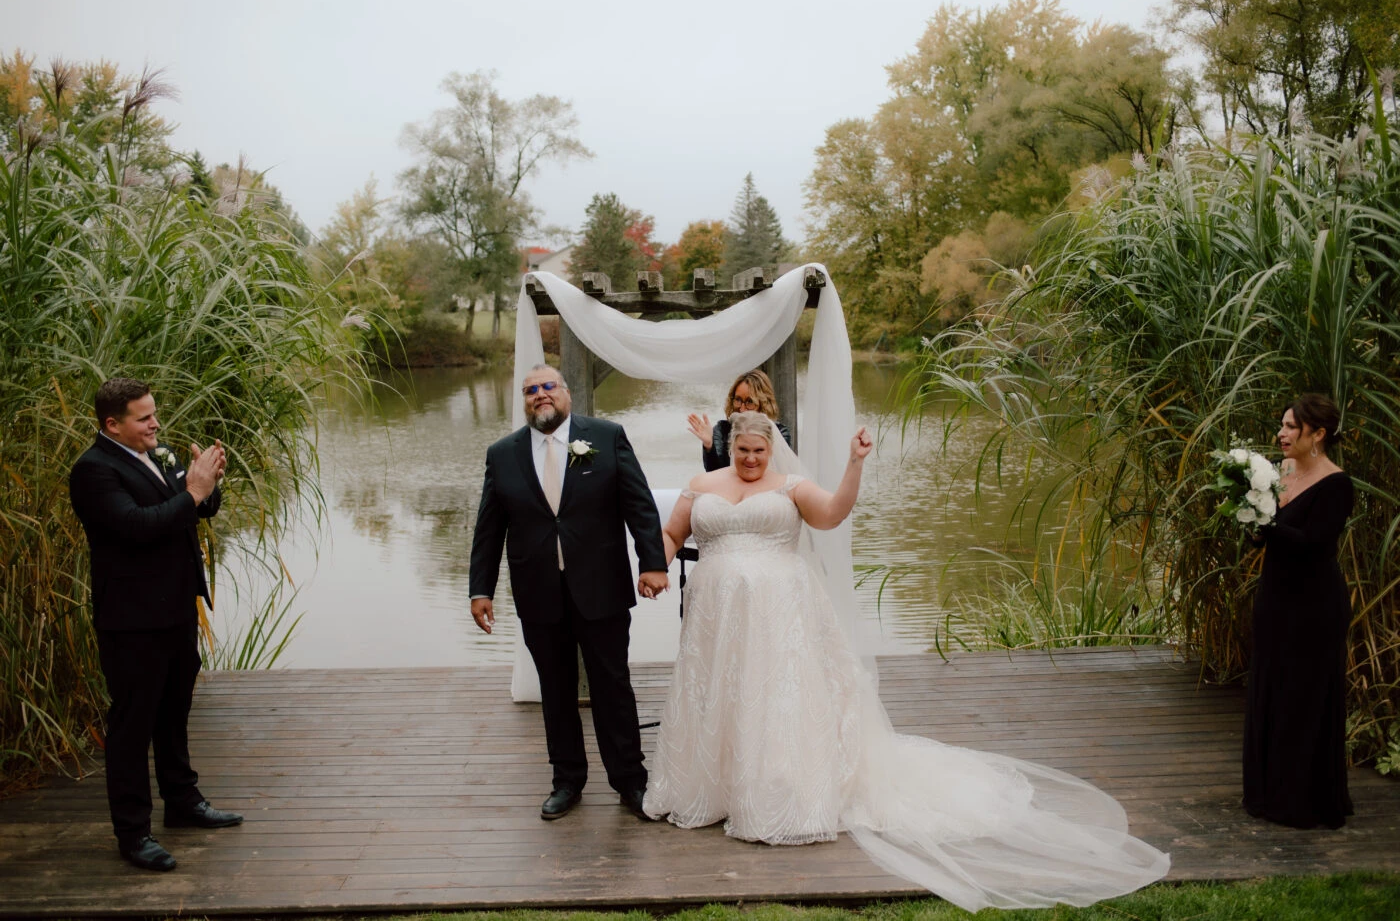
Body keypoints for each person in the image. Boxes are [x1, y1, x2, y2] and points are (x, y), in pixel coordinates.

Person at [642, 411, 1169, 913]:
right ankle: (714, 788)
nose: (751, 459)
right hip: (716, 620)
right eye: (742, 450)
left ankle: (775, 792)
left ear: (770, 449)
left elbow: (832, 515)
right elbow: (671, 534)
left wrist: (854, 463)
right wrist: (654, 568)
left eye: (759, 450)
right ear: (727, 446)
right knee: (720, 697)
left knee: (775, 700)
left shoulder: (790, 488)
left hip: (781, 615)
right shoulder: (702, 485)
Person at [468, 364, 669, 821]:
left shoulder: (607, 436)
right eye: (530, 390)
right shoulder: (503, 454)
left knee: (612, 685)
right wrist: (480, 589)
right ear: (525, 401)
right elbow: (488, 528)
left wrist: (653, 562)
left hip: (602, 587)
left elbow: (637, 504)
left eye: (547, 387)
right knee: (554, 691)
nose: (540, 395)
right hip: (538, 592)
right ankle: (567, 781)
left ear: (566, 393)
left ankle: (630, 782)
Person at [67, 378, 244, 872]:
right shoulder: (93, 471)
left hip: (174, 611)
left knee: (173, 712)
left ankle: (183, 803)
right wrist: (193, 490)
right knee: (132, 725)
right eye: (144, 417)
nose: (155, 423)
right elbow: (138, 527)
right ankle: (133, 833)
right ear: (112, 424)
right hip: (131, 620)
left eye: (154, 413)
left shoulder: (158, 454)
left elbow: (193, 511)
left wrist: (210, 485)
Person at [1243, 393, 1355, 829]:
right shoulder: (1281, 471)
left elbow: (1314, 544)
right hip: (1276, 596)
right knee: (1273, 685)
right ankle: (1268, 792)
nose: (1282, 434)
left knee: (1304, 696)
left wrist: (1269, 524)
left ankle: (1303, 800)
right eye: (1283, 425)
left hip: (1315, 604)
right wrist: (1250, 517)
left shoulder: (1336, 484)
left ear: (1318, 434)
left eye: (1292, 427)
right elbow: (1264, 538)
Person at [686, 369, 791, 471]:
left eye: (749, 402)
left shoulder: (780, 432)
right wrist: (709, 446)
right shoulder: (722, 430)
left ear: (763, 403)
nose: (742, 408)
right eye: (738, 400)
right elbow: (715, 472)